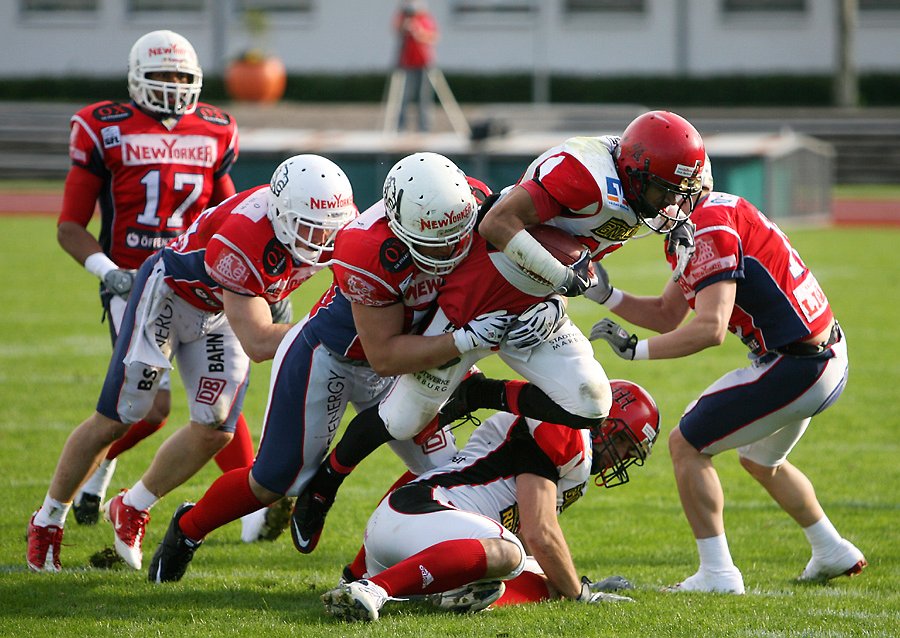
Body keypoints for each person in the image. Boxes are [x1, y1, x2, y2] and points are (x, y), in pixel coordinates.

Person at [291, 110, 707, 551]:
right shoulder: (586, 175)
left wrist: (682, 225)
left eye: (676, 194)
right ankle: (326, 482)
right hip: (483, 288)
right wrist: (561, 280)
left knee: (591, 404)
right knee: (403, 418)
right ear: (635, 173)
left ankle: (476, 394)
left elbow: (689, 188)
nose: (670, 202)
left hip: (537, 303)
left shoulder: (653, 182)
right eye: (663, 191)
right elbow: (497, 223)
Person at [145, 152, 530, 583]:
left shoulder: (468, 209)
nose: (447, 249)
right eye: (431, 239)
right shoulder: (368, 250)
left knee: (443, 472)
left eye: (456, 235)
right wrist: (464, 341)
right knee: (275, 481)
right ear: (399, 225)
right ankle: (187, 529)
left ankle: (365, 572)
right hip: (332, 356)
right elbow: (384, 355)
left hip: (406, 355)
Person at [26, 154, 357, 573]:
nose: (323, 239)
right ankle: (48, 520)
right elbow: (258, 341)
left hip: (222, 308)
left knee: (215, 428)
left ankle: (132, 505)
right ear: (281, 213)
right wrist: (325, 329)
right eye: (309, 227)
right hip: (170, 295)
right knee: (119, 417)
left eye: (330, 227)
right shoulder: (243, 238)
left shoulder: (340, 224)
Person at [588, 163, 866, 593]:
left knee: (687, 444)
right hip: (822, 355)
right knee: (760, 460)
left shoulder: (708, 224)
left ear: (688, 189)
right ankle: (831, 549)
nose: (657, 203)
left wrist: (636, 351)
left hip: (798, 364)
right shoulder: (711, 217)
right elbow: (666, 315)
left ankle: (717, 573)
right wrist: (606, 294)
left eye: (664, 192)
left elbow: (710, 328)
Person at [54, 29, 263, 535]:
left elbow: (231, 213)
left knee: (217, 399)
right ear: (136, 79)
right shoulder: (104, 126)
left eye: (181, 76)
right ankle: (90, 477)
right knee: (149, 410)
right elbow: (69, 226)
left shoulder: (215, 128)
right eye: (161, 75)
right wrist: (108, 272)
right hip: (135, 281)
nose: (172, 85)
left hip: (200, 283)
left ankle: (253, 503)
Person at [320, 380, 661, 622]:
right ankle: (374, 589)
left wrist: (572, 583)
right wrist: (582, 596)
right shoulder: (561, 430)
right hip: (419, 514)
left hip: (422, 531)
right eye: (623, 443)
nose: (621, 458)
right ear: (605, 422)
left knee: (545, 580)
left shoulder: (575, 459)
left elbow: (532, 539)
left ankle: (430, 592)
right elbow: (539, 533)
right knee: (509, 553)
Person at [393, 0, 438, 132]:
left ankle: (424, 128)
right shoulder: (403, 18)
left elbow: (433, 37)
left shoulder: (425, 19)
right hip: (406, 63)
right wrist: (404, 26)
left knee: (424, 97)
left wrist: (418, 31)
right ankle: (400, 127)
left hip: (424, 63)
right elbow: (396, 30)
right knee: (403, 96)